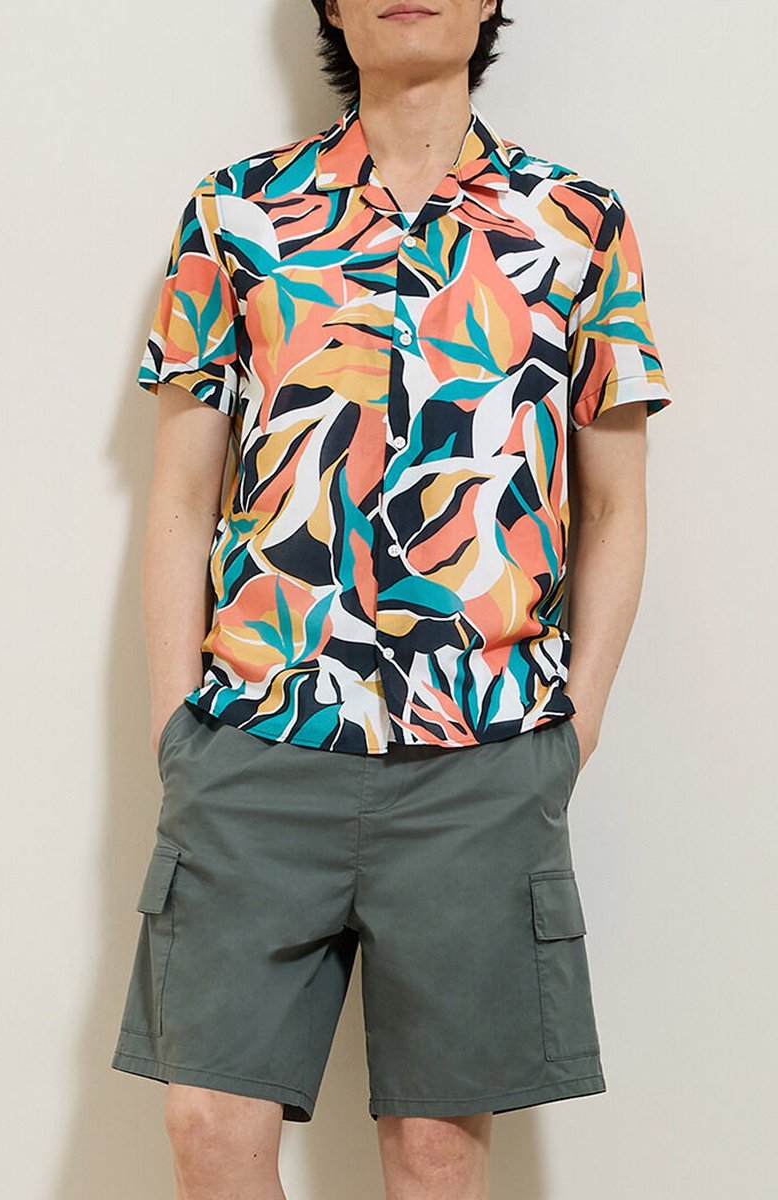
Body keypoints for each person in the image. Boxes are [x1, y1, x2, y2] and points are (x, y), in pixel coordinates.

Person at [110, 1, 673, 1196]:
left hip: (483, 756)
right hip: (257, 737)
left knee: (433, 1155)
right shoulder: (235, 212)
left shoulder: (576, 222)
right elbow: (181, 494)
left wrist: (571, 729)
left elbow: (616, 505)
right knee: (207, 1125)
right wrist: (177, 728)